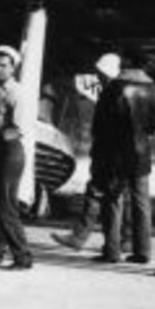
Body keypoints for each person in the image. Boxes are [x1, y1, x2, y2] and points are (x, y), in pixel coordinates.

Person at [91, 51, 155, 264]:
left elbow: (99, 125)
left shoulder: (113, 87)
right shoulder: (152, 88)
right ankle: (143, 251)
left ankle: (112, 251)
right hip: (141, 152)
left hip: (115, 153)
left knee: (113, 199)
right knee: (141, 202)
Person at [51, 52, 121, 252]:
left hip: (108, 153)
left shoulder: (112, 94)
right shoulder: (114, 92)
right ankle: (121, 240)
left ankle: (83, 237)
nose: (97, 76)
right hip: (113, 152)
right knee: (114, 196)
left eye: (100, 73)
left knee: (98, 192)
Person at [0, 45, 33, 270]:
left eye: (4, 66)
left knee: (6, 205)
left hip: (11, 151)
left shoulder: (16, 92)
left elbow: (17, 130)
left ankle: (23, 255)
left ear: (13, 68)